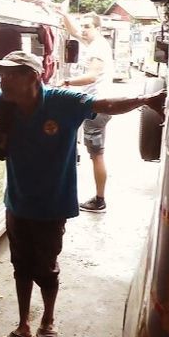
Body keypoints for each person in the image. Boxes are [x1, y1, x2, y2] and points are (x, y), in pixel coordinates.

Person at [0, 50, 164, 337]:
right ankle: (22, 326)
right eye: (1, 74)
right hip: (17, 203)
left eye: (10, 75)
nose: (2, 80)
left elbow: (106, 104)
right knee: (21, 267)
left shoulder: (63, 101)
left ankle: (48, 322)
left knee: (46, 269)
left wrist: (144, 100)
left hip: (51, 206)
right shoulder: (3, 103)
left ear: (33, 77)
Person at [59, 11, 115, 212]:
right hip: (92, 105)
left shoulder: (97, 48)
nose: (83, 30)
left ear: (98, 29)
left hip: (96, 107)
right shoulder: (93, 43)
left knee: (96, 154)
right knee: (92, 152)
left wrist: (65, 82)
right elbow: (73, 31)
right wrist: (63, 13)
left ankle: (100, 200)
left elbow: (91, 77)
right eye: (83, 26)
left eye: (87, 27)